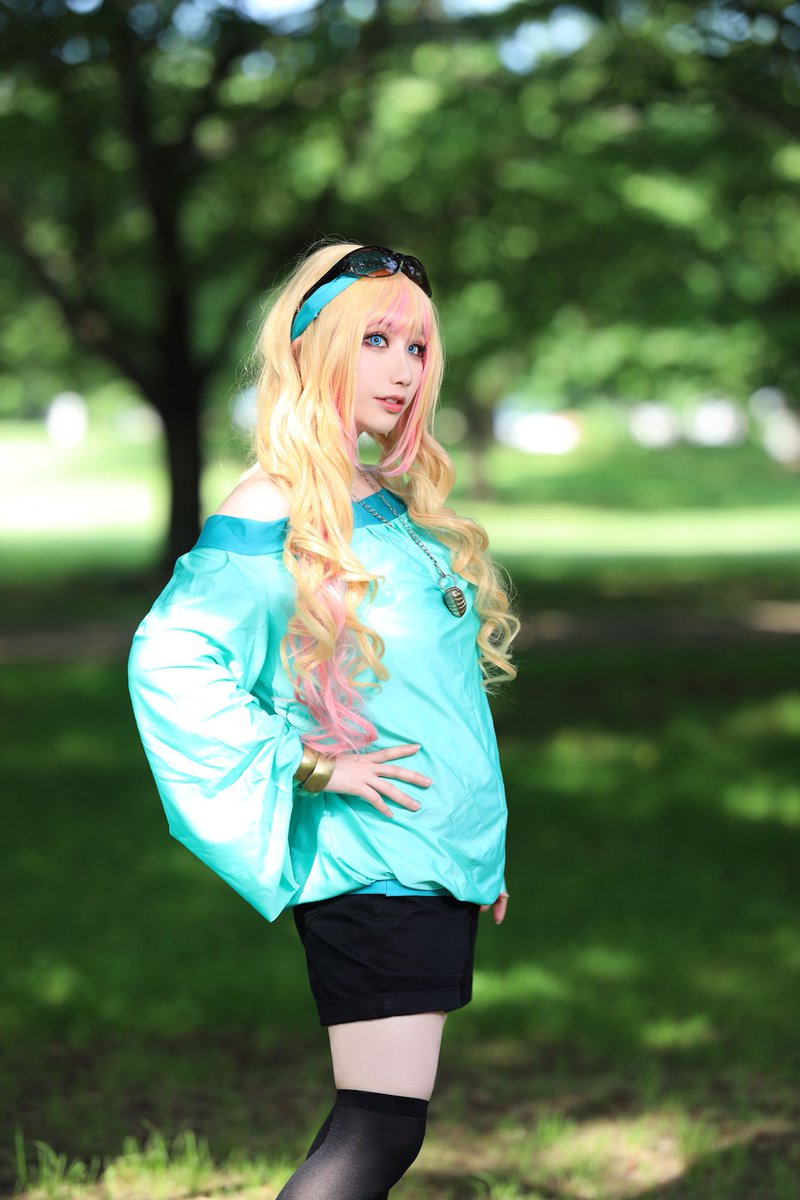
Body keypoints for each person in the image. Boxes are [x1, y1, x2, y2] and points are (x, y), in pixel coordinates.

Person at [127, 239, 521, 1199]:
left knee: (381, 1130)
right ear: (313, 349)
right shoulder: (273, 507)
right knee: (375, 1135)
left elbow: (433, 698)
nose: (402, 369)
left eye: (416, 346)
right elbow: (171, 660)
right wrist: (312, 766)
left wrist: (475, 856)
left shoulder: (380, 498)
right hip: (371, 867)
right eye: (375, 340)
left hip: (425, 865)